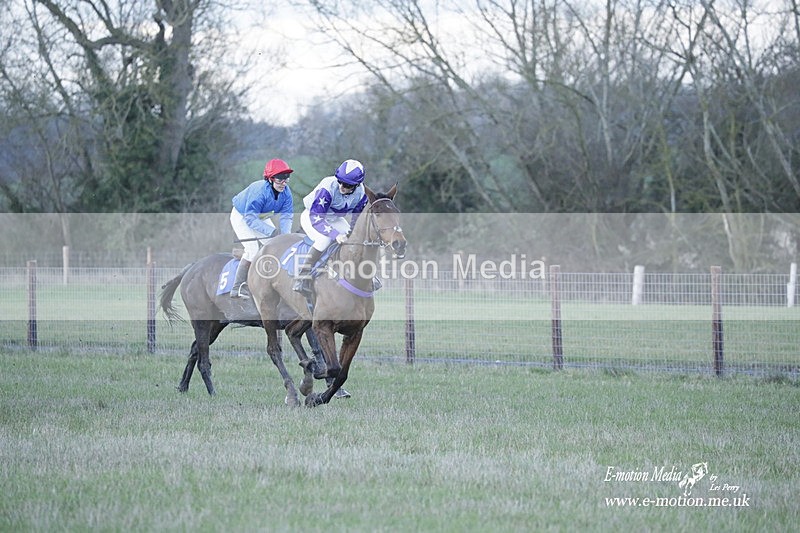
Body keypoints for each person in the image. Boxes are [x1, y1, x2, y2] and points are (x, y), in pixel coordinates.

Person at [293, 159, 368, 295]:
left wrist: (351, 234)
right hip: (312, 216)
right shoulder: (328, 187)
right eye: (340, 182)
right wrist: (335, 235)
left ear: (357, 185)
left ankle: (365, 277)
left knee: (355, 240)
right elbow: (316, 218)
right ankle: (302, 276)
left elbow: (356, 219)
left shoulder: (362, 194)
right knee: (324, 240)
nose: (342, 187)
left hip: (334, 219)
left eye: (347, 185)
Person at [229, 158, 294, 299]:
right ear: (270, 179)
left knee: (277, 247)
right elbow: (250, 219)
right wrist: (271, 232)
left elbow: (286, 217)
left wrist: (285, 237)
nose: (284, 182)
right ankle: (238, 287)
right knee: (253, 251)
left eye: (286, 178)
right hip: (242, 215)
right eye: (280, 179)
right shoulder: (259, 191)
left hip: (261, 217)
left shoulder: (287, 193)